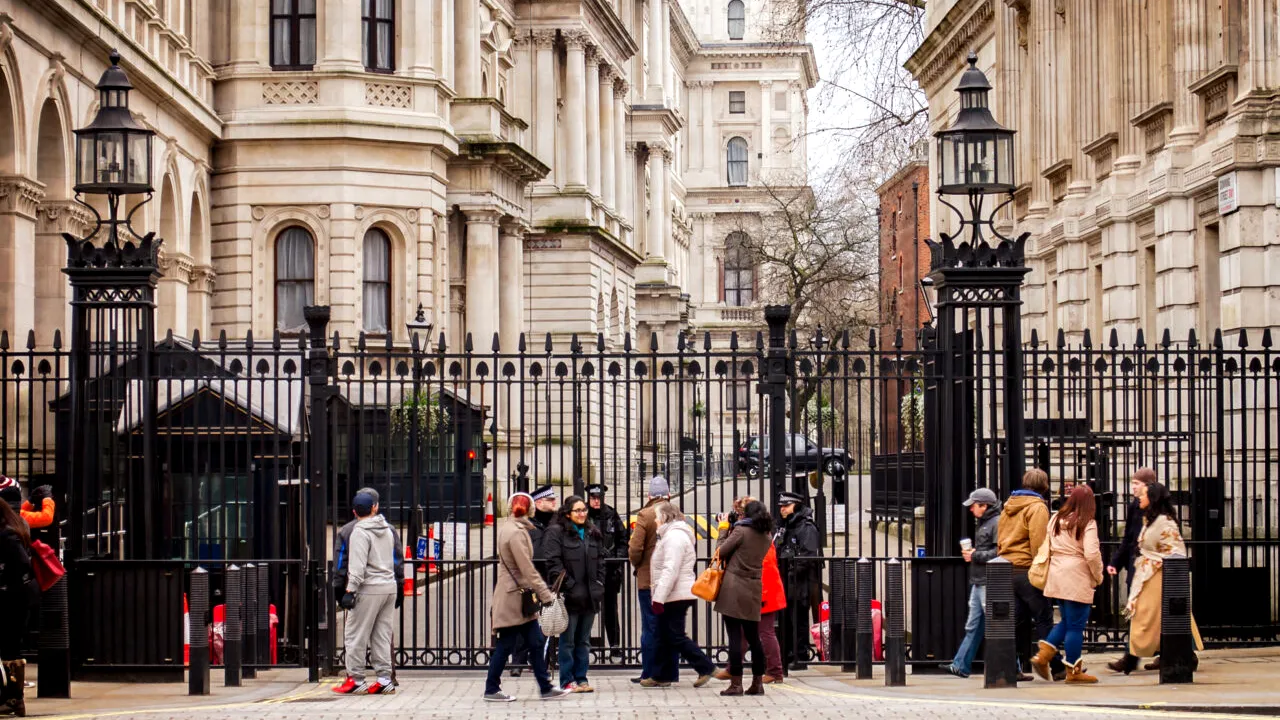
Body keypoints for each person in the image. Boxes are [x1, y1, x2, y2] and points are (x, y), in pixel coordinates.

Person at [485, 492, 571, 702]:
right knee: (506, 645)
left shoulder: (515, 528)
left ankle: (545, 687)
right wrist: (546, 594)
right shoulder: (515, 533)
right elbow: (527, 569)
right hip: (513, 598)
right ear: (530, 509)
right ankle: (491, 688)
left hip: (519, 597)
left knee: (535, 641)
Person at [1110, 482, 1202, 675]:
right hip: (1148, 575)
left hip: (1157, 577)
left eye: (1142, 494)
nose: (1139, 498)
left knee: (1147, 617)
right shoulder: (1151, 519)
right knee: (1152, 618)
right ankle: (1146, 656)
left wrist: (1157, 562)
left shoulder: (1164, 522)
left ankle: (1133, 658)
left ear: (1152, 498)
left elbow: (1175, 551)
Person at [1031, 485, 1104, 684]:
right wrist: (1098, 575)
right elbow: (1091, 553)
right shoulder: (1087, 522)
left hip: (1057, 574)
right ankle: (1073, 670)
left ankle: (1042, 656)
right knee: (1076, 626)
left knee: (1066, 621)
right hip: (1076, 576)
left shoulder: (1055, 519)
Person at [333, 490, 403, 695]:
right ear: (375, 507)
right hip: (389, 587)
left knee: (355, 634)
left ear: (354, 512)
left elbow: (357, 566)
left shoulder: (359, 532)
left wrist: (349, 590)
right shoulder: (387, 529)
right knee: (381, 634)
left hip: (369, 588)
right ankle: (384, 679)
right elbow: (395, 559)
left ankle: (355, 679)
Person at [998, 468, 1064, 680]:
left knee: (1017, 621)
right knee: (1044, 618)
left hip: (1008, 568)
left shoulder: (1008, 506)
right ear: (1044, 486)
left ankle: (1012, 667)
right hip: (1027, 569)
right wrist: (1043, 567)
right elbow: (1039, 543)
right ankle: (1056, 665)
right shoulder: (1037, 508)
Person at [715, 496, 785, 683]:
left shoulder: (747, 532)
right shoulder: (764, 532)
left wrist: (724, 530)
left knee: (764, 632)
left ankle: (775, 671)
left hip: (764, 590)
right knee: (748, 633)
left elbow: (723, 552)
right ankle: (734, 668)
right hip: (758, 589)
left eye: (739, 513)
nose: (737, 517)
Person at [647, 501, 715, 688]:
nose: (654, 521)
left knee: (675, 636)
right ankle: (662, 675)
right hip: (674, 593)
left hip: (675, 594)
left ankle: (706, 666)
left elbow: (671, 569)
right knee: (664, 634)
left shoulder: (674, 537)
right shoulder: (671, 535)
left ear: (664, 517)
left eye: (656, 517)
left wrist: (658, 597)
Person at [542, 495, 604, 692]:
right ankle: (567, 680)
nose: (582, 514)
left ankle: (582, 678)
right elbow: (553, 563)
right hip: (570, 597)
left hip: (590, 595)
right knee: (568, 641)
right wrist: (568, 585)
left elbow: (601, 560)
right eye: (577, 510)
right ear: (567, 513)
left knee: (583, 641)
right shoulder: (556, 532)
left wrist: (599, 583)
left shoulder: (592, 532)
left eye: (584, 510)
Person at [945, 487, 1001, 678]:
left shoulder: (996, 523)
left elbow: (1000, 552)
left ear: (984, 506)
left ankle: (1012, 667)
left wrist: (975, 554)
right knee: (974, 625)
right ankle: (960, 665)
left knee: (997, 625)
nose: (971, 509)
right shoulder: (986, 523)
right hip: (979, 580)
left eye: (974, 506)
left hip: (988, 580)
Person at [1105, 468, 1157, 674]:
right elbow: (1128, 537)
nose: (1133, 487)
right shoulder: (1135, 506)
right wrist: (1116, 563)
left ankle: (1131, 657)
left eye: (1137, 483)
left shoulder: (1157, 507)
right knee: (1139, 613)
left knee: (1149, 614)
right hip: (1137, 566)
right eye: (1132, 483)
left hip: (1151, 569)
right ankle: (1132, 657)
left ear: (1148, 486)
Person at [628, 475, 672, 684]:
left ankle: (650, 672)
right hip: (671, 581)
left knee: (650, 626)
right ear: (669, 494)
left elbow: (635, 549)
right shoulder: (677, 514)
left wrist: (638, 565)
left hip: (649, 581)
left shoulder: (645, 515)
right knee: (669, 626)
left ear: (649, 495)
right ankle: (670, 672)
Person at [511, 484, 557, 676]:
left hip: (550, 578)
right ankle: (518, 662)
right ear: (538, 503)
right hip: (531, 579)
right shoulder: (528, 525)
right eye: (550, 500)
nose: (555, 502)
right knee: (526, 620)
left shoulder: (555, 523)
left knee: (548, 621)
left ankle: (544, 661)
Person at [774, 490, 820, 671]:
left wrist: (790, 572)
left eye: (786, 506)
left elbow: (808, 556)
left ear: (797, 505)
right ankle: (787, 654)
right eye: (781, 506)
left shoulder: (806, 527)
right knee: (784, 619)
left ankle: (800, 656)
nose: (782, 509)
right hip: (784, 580)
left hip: (799, 581)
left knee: (798, 618)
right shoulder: (784, 526)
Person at [0, 500, 36, 716]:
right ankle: (12, 698)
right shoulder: (18, 525)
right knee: (10, 646)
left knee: (10, 647)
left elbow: (22, 563)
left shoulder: (7, 533)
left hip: (11, 599)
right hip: (16, 597)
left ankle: (14, 699)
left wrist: (5, 581)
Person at [585, 484, 628, 661]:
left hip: (609, 571)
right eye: (593, 498)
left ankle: (615, 646)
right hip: (589, 571)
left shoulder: (611, 515)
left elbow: (623, 539)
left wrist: (616, 558)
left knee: (610, 610)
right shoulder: (583, 515)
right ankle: (584, 644)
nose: (596, 501)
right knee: (587, 609)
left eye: (599, 498)